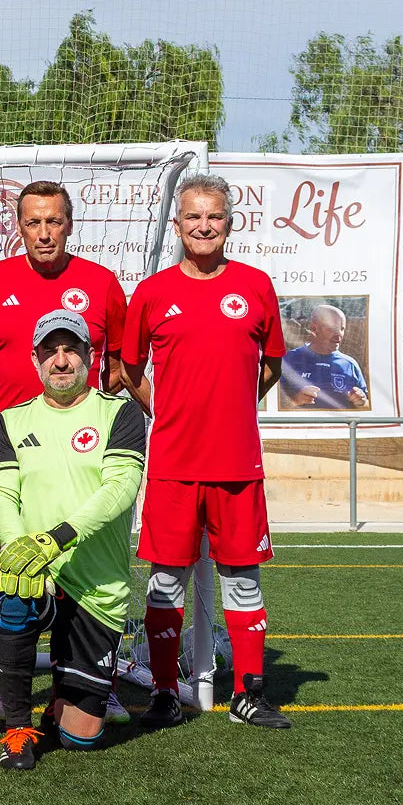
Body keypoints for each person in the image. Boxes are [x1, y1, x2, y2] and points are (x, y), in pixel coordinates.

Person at [122, 173, 292, 731]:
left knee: (243, 580)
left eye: (213, 216)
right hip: (173, 466)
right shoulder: (152, 293)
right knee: (164, 581)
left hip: (238, 466)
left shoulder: (256, 285)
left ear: (228, 223)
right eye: (192, 217)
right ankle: (166, 692)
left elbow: (269, 366)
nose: (203, 226)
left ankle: (247, 692)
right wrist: (164, 410)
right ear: (177, 225)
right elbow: (130, 370)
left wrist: (236, 404)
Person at [0, 180, 129, 724]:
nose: (43, 233)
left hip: (81, 446)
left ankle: (85, 683)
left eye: (54, 221)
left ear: (70, 224)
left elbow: (117, 367)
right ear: (19, 225)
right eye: (33, 222)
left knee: (85, 562)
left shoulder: (102, 284)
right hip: (19, 443)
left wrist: (83, 405)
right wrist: (12, 395)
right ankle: (2, 687)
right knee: (7, 566)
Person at [0, 310, 146, 770]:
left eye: (71, 349)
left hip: (95, 586)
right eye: (50, 351)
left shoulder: (120, 412)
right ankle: (16, 728)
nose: (61, 361)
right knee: (14, 593)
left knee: (81, 737)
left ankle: (63, 702)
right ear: (35, 361)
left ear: (90, 358)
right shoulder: (11, 420)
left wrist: (56, 539)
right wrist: (18, 550)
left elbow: (120, 488)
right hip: (36, 573)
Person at [281, 305, 369, 409]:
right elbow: (271, 406)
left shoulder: (350, 364)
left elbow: (367, 407)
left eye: (342, 329)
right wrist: (295, 400)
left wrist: (362, 402)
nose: (339, 334)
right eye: (333, 328)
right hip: (301, 425)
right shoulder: (287, 360)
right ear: (314, 328)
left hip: (339, 425)